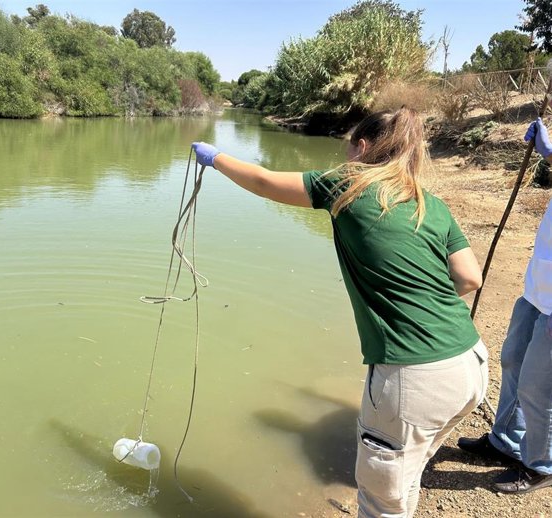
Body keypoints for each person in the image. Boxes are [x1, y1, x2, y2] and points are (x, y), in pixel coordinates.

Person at [191, 106, 488, 517]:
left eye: (347, 146)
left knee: (381, 502)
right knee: (408, 473)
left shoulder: (349, 185)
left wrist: (215, 158)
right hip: (470, 364)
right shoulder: (430, 203)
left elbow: (263, 181)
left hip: (413, 379)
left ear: (361, 147)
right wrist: (422, 305)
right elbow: (470, 278)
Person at [457, 117, 552, 494]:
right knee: (513, 358)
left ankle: (540, 464)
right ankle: (507, 442)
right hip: (539, 285)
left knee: (539, 385)